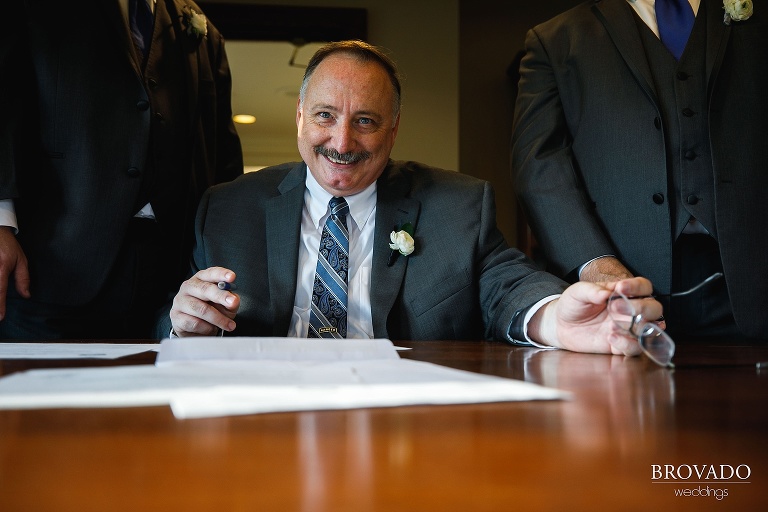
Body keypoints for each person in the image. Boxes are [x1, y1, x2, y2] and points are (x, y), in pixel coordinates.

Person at [165, 39, 662, 356]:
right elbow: (174, 320)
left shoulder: (460, 205)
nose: (341, 143)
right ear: (299, 117)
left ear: (394, 128)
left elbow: (507, 285)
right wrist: (183, 324)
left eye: (365, 121)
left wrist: (556, 319)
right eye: (323, 116)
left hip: (404, 427)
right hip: (261, 419)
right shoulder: (227, 209)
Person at [511, 0, 766, 339]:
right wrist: (595, 264)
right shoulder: (555, 39)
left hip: (756, 280)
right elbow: (538, 166)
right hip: (623, 297)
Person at [0, 0, 243, 339]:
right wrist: (1, 223)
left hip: (170, 278)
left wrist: (225, 253)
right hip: (50, 262)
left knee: (155, 389)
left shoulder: (202, 29)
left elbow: (221, 152)